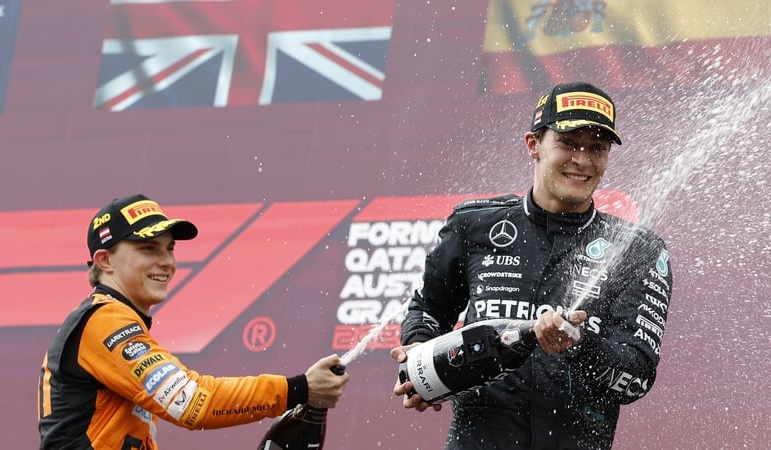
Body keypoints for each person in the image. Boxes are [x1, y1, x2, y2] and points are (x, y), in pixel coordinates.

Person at [391, 82, 672, 449]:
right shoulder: (474, 226)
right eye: (569, 143)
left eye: (597, 148)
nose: (583, 160)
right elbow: (428, 308)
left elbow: (636, 378)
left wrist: (578, 345)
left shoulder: (639, 251)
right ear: (533, 145)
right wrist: (420, 357)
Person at [38, 194, 349, 449]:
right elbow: (191, 402)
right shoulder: (104, 320)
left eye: (169, 248)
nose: (167, 262)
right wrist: (298, 389)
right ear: (105, 261)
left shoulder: (111, 320)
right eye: (148, 248)